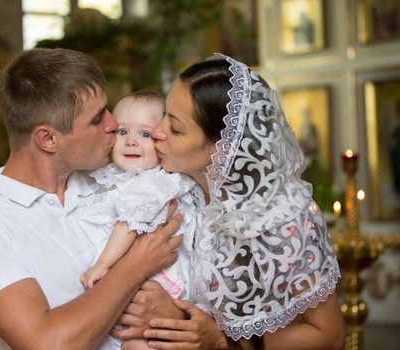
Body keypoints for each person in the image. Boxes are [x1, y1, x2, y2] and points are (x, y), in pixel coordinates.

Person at [0, 48, 184, 350]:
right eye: (97, 120)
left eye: (107, 109)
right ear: (48, 139)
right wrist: (136, 265)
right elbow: (48, 343)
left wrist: (174, 315)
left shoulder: (121, 180)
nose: (112, 124)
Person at [113, 54, 345, 349]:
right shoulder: (170, 185)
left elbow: (329, 335)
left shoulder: (280, 218)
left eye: (175, 128)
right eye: (163, 117)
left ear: (223, 148)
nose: (157, 133)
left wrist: (220, 341)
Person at [79, 91, 199, 349]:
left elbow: (129, 226)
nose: (131, 142)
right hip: (138, 277)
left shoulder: (150, 184)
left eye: (145, 134)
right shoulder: (117, 178)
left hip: (158, 280)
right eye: (122, 132)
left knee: (138, 343)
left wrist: (102, 264)